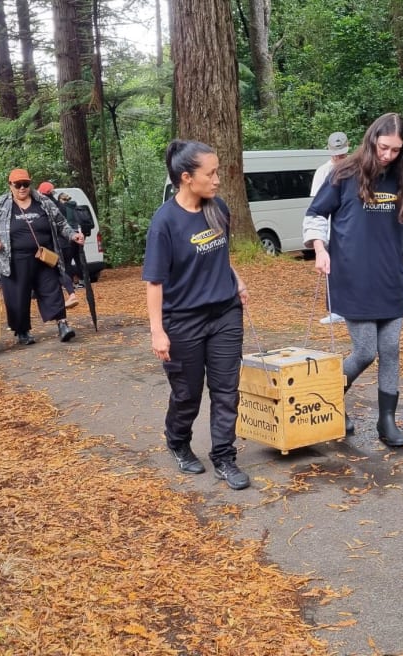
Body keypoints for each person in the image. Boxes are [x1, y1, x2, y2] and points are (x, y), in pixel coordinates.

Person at [302, 113, 403, 448]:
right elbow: (316, 214)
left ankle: (386, 421)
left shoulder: (401, 178)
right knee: (364, 351)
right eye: (383, 147)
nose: (387, 155)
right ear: (373, 138)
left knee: (390, 350)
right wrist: (320, 249)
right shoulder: (344, 173)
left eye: (395, 150)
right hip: (352, 276)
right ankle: (328, 401)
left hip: (390, 277)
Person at [143, 139, 251, 491]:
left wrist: (236, 280)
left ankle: (224, 456)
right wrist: (158, 331)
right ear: (187, 177)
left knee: (226, 390)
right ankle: (177, 440)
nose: (218, 179)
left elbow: (218, 254)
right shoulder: (165, 223)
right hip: (182, 321)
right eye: (211, 173)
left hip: (224, 314)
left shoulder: (217, 207)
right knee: (188, 393)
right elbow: (154, 282)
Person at [0, 169, 85, 345]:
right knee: (17, 295)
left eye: (26, 184)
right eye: (18, 184)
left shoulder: (43, 202)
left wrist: (72, 235)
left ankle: (62, 324)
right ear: (10, 185)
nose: (22, 188)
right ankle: (22, 331)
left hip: (43, 256)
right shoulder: (0, 204)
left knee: (51, 288)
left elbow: (61, 223)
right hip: (14, 259)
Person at [311, 131, 351, 325]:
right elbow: (316, 206)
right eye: (336, 153)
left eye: (342, 154)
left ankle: (353, 307)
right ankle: (335, 309)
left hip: (350, 230)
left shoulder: (357, 169)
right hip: (328, 230)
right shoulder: (323, 172)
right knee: (331, 269)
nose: (338, 157)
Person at [37, 181, 79, 308]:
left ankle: (61, 296)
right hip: (67, 242)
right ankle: (71, 292)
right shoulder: (61, 206)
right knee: (64, 267)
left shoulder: (43, 206)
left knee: (53, 270)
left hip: (53, 245)